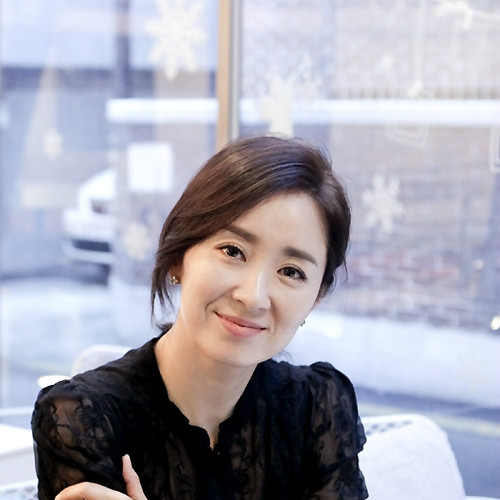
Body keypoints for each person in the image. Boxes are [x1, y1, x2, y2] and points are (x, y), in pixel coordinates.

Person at [32, 135, 368, 500]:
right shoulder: (80, 419)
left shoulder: (320, 408)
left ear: (315, 298)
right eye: (233, 251)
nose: (253, 296)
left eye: (291, 272)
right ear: (179, 256)